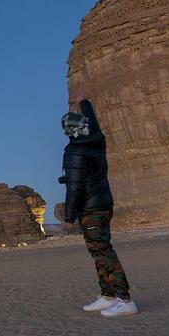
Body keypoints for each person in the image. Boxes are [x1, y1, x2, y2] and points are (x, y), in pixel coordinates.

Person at [59, 94, 138, 317]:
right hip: (102, 204)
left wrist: (68, 218)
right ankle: (108, 296)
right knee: (97, 251)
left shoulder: (76, 151)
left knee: (103, 252)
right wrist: (85, 104)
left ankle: (125, 299)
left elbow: (74, 188)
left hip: (91, 209)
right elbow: (93, 121)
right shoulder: (96, 140)